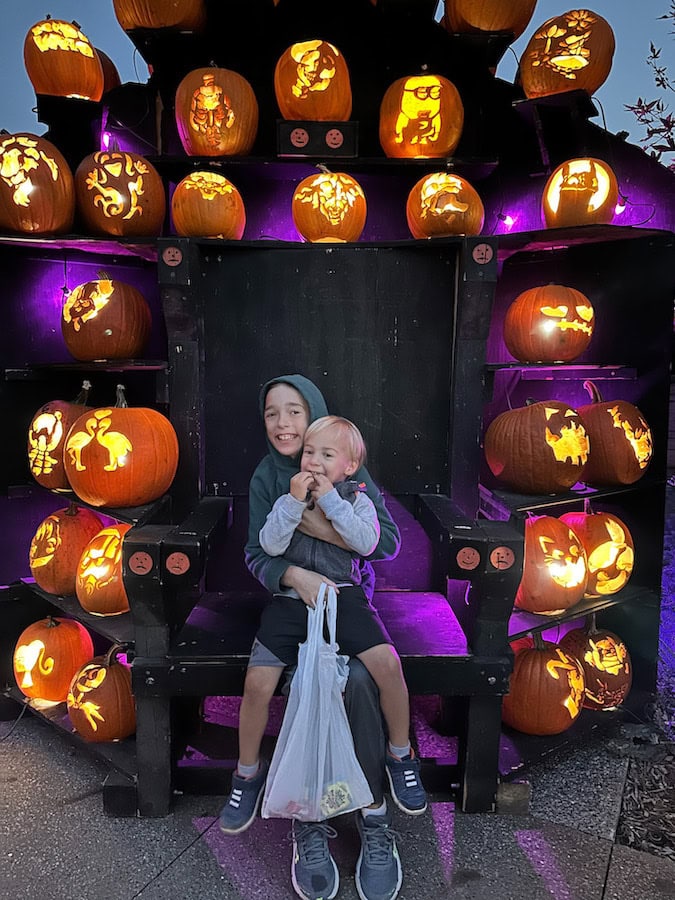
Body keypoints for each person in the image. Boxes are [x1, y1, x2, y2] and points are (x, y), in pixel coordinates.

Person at [218, 375, 424, 900]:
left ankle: (379, 800)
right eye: (272, 413)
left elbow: (381, 544)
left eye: (294, 412)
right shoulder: (268, 476)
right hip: (291, 601)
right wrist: (294, 569)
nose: (283, 423)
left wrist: (322, 516)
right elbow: (260, 550)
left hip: (346, 600)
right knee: (279, 682)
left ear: (314, 418)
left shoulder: (350, 476)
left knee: (364, 679)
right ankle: (292, 807)